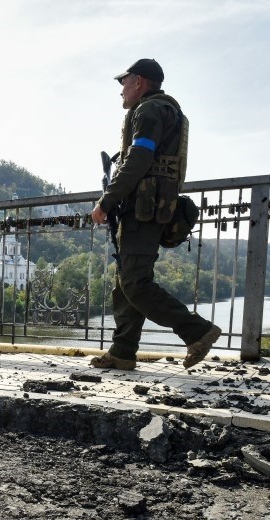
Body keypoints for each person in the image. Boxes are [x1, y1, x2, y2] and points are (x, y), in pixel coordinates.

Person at [89, 58, 221, 371]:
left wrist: (106, 201)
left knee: (135, 282)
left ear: (139, 81)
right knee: (125, 282)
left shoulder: (148, 110)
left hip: (142, 209)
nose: (121, 90)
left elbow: (140, 157)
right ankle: (122, 352)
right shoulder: (165, 110)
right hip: (150, 206)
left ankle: (198, 331)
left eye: (124, 82)